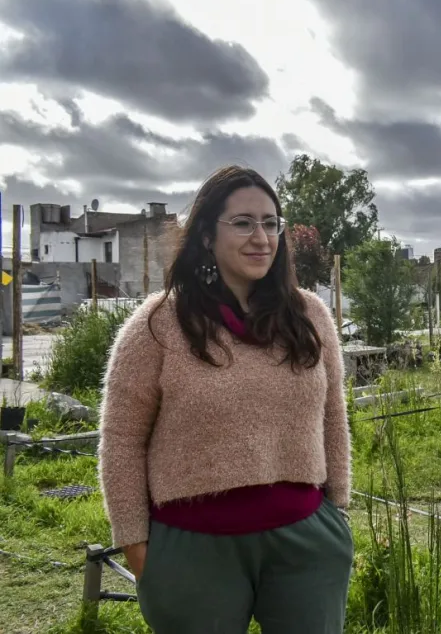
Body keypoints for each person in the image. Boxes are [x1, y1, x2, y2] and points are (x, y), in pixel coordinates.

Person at [97, 165, 353, 633]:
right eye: (242, 223)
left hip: (306, 543)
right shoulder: (156, 325)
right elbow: (121, 440)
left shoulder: (309, 316)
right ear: (206, 236)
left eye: (271, 223)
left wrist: (337, 510)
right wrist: (134, 543)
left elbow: (332, 413)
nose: (261, 237)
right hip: (194, 550)